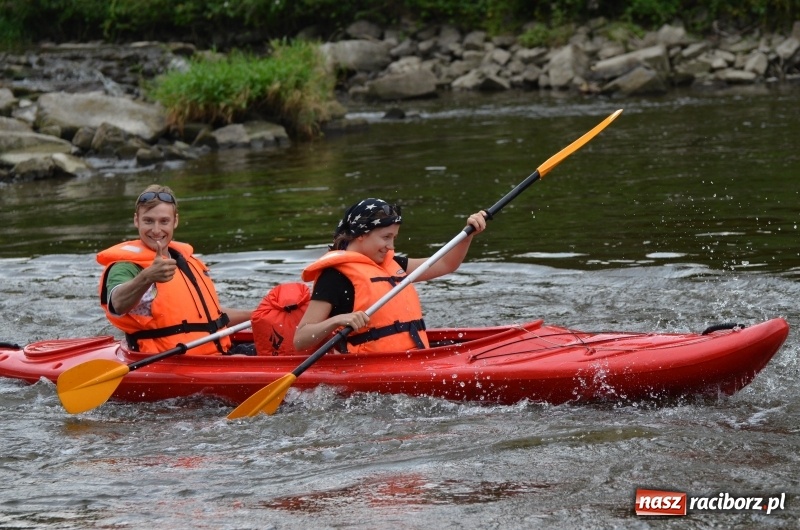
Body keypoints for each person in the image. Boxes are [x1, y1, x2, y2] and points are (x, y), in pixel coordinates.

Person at [294, 198, 487, 353]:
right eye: (386, 237)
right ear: (361, 234)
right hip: (367, 368)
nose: (391, 246)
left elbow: (446, 264)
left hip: (414, 358)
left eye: (394, 238)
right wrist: (337, 320)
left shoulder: (393, 263)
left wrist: (468, 234)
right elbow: (301, 339)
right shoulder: (335, 276)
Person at [97, 184, 253, 355]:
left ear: (175, 221)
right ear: (136, 220)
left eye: (164, 221)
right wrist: (147, 277)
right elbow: (117, 304)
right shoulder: (125, 266)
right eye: (148, 221)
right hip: (170, 360)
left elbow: (212, 316)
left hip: (218, 354)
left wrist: (255, 315)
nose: (156, 230)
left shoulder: (184, 261)